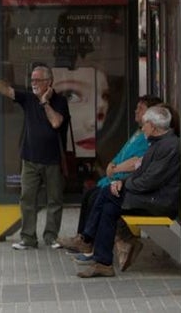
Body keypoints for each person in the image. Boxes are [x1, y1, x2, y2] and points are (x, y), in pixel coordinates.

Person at [75, 104, 180, 278]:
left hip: (159, 202)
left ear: (153, 127)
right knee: (109, 206)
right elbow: (141, 173)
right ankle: (103, 262)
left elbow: (149, 180)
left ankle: (87, 238)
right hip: (150, 196)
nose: (142, 127)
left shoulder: (168, 146)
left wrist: (122, 184)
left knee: (107, 193)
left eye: (145, 124)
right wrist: (121, 182)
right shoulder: (158, 143)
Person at [57, 94, 162, 261]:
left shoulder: (150, 138)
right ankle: (85, 240)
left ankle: (89, 243)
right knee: (90, 195)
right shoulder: (139, 133)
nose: (136, 110)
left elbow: (137, 163)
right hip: (118, 179)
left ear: (152, 114)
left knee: (99, 198)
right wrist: (111, 164)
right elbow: (123, 154)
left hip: (128, 185)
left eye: (140, 108)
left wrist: (115, 170)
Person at [0, 63, 70, 250]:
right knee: (27, 198)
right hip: (30, 158)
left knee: (54, 200)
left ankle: (51, 237)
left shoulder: (60, 102)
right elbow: (7, 91)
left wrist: (45, 102)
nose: (34, 84)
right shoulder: (28, 99)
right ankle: (28, 238)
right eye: (32, 80)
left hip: (53, 160)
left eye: (38, 80)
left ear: (49, 82)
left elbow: (56, 123)